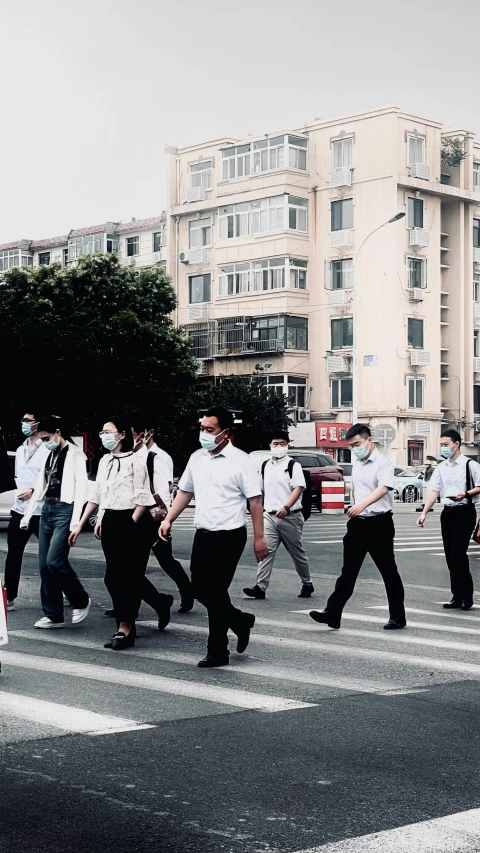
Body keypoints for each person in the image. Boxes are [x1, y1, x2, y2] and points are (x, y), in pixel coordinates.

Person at [159, 406, 269, 668]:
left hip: (230, 536)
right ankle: (240, 620)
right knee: (199, 590)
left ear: (225, 433)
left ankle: (218, 650)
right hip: (204, 534)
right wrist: (168, 518)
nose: (204, 434)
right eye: (202, 429)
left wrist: (259, 538)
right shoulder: (197, 458)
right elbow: (185, 492)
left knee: (216, 591)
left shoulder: (241, 460)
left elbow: (255, 500)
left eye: (210, 430)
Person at [69, 416, 167, 650]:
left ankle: (125, 627)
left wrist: (130, 523)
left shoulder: (138, 460)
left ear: (122, 435)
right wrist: (82, 523)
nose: (103, 436)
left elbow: (143, 496)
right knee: (112, 577)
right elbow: (98, 495)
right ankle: (151, 608)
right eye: (101, 432)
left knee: (128, 577)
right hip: (111, 518)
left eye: (108, 432)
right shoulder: (104, 461)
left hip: (131, 519)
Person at [309, 423, 406, 631]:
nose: (355, 448)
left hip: (379, 523)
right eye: (352, 446)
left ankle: (398, 616)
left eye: (357, 444)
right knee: (348, 572)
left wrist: (362, 504)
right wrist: (355, 505)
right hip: (358, 524)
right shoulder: (359, 463)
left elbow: (383, 488)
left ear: (369, 440)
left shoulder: (384, 463)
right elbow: (358, 489)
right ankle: (332, 613)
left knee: (388, 571)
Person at [21, 415, 91, 629]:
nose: (45, 442)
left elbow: (81, 490)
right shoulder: (49, 455)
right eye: (42, 439)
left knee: (55, 561)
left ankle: (80, 599)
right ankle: (53, 614)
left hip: (65, 509)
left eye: (48, 437)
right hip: (48, 510)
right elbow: (40, 485)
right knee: (44, 566)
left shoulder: (76, 455)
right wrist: (27, 515)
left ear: (58, 433)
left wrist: (76, 522)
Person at [130, 424, 194, 613]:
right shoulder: (133, 456)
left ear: (146, 434)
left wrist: (165, 519)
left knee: (165, 560)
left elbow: (166, 489)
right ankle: (128, 604)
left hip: (153, 517)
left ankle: (187, 591)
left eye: (133, 435)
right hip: (137, 515)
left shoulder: (159, 457)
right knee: (135, 563)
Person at [243, 430, 313, 600]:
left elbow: (299, 487)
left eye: (282, 444)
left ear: (287, 445)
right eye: (275, 444)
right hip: (269, 516)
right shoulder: (266, 465)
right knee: (265, 552)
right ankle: (260, 587)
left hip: (290, 516)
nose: (279, 447)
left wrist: (287, 507)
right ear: (270, 445)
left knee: (297, 553)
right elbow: (259, 490)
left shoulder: (293, 465)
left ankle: (307, 583)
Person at [417, 429, 480, 610]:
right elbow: (433, 491)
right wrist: (424, 513)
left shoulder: (470, 465)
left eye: (446, 445)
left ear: (456, 444)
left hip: (465, 511)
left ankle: (467, 596)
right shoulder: (441, 467)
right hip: (448, 513)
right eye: (441, 445)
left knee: (458, 553)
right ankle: (456, 596)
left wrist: (466, 494)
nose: (443, 448)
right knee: (450, 556)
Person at [3, 411, 49, 610]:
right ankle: (9, 596)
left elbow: (50, 478)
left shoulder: (47, 448)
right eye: (22, 420)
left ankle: (66, 590)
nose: (24, 424)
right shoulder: (21, 449)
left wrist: (34, 491)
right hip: (19, 510)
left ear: (38, 423)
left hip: (40, 511)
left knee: (52, 557)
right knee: (13, 554)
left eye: (27, 420)